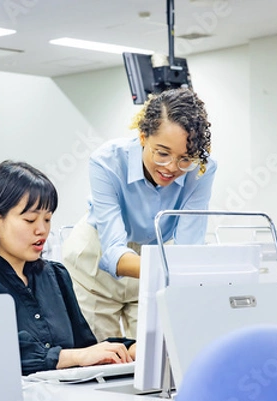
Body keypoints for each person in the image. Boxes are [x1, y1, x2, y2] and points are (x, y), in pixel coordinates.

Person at [0, 160, 136, 376]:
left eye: (47, 219)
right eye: (30, 220)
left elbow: (84, 345)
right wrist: (72, 357)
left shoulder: (55, 276)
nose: (42, 230)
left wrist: (129, 348)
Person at [62, 88, 217, 341]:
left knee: (155, 359)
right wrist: (180, 268)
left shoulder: (201, 170)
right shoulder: (106, 161)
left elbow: (189, 247)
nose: (171, 168)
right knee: (100, 360)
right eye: (163, 153)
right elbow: (113, 251)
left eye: (185, 159)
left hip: (152, 265)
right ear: (143, 136)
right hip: (95, 266)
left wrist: (194, 270)